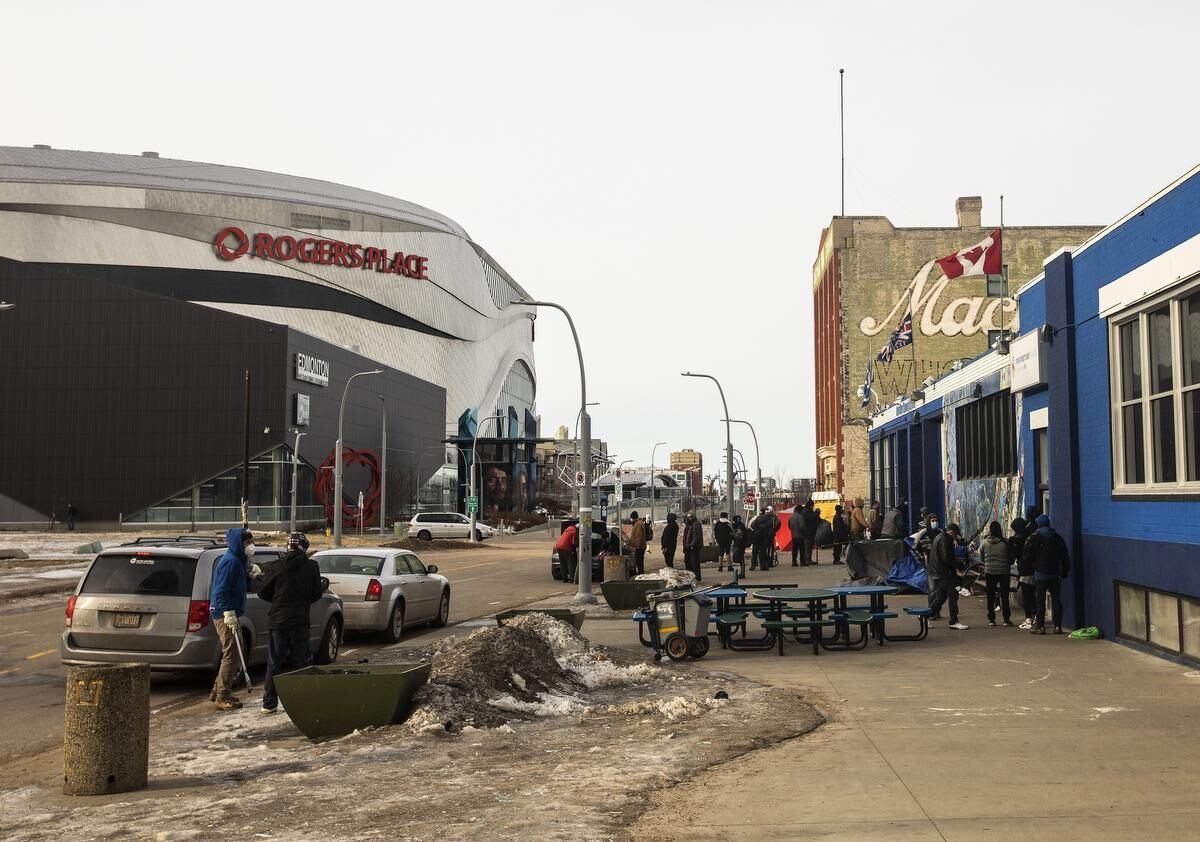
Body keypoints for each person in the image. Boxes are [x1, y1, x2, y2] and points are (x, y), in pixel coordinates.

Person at [258, 532, 324, 714]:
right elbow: (317, 593)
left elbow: (262, 591)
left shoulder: (277, 566)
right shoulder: (311, 567)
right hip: (300, 620)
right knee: (301, 661)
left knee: (274, 662)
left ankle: (269, 703)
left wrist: (278, 599)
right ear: (304, 547)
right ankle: (302, 701)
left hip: (278, 620)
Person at [210, 527, 256, 710]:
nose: (251, 546)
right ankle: (223, 694)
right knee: (232, 653)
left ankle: (218, 690)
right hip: (224, 613)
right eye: (247, 543)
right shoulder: (231, 562)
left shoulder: (238, 560)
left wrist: (249, 575)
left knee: (235, 651)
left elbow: (237, 585)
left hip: (230, 611)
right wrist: (228, 612)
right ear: (239, 544)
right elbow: (221, 590)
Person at [1024, 514, 1071, 634]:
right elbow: (1064, 556)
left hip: (1040, 573)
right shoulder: (1057, 537)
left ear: (1038, 524)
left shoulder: (1034, 538)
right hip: (1054, 573)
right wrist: (1065, 570)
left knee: (1040, 600)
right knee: (1056, 599)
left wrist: (1030, 568)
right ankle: (1058, 626)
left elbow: (1027, 555)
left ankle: (1040, 626)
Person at [927, 522, 968, 630]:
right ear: (951, 532)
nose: (955, 537)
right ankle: (953, 620)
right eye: (955, 535)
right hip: (945, 573)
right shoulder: (945, 540)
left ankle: (925, 614)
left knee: (941, 597)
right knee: (952, 595)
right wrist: (957, 563)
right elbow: (945, 558)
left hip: (938, 572)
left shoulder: (939, 537)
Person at [979, 521, 1013, 627]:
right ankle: (1006, 619)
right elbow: (1011, 558)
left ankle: (991, 619)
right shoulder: (1005, 543)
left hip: (990, 572)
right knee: (1005, 595)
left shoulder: (984, 543)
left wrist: (988, 564)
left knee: (990, 596)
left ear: (990, 530)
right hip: (1004, 571)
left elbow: (982, 558)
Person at [1008, 517, 1034, 628]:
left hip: (1024, 569)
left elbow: (1013, 556)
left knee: (1027, 594)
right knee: (1034, 594)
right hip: (1034, 568)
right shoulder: (1031, 534)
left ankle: (1029, 618)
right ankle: (1037, 616)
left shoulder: (1017, 539)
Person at [682, 512, 703, 581]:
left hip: (693, 547)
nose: (688, 519)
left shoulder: (695, 524)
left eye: (690, 517)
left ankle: (696, 577)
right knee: (689, 562)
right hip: (690, 546)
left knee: (694, 562)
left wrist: (692, 545)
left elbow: (696, 536)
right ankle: (692, 576)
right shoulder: (691, 524)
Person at [628, 511, 648, 576]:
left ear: (633, 518)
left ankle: (641, 574)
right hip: (641, 546)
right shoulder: (639, 523)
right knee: (639, 561)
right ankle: (641, 573)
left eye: (631, 518)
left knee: (639, 561)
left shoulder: (638, 524)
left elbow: (639, 536)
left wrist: (637, 546)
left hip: (639, 547)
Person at [801, 500, 821, 564]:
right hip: (807, 532)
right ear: (810, 505)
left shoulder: (807, 511)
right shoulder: (806, 511)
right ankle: (807, 560)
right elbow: (811, 517)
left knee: (809, 546)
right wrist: (816, 513)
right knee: (807, 547)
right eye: (812, 506)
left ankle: (809, 559)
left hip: (810, 532)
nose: (813, 507)